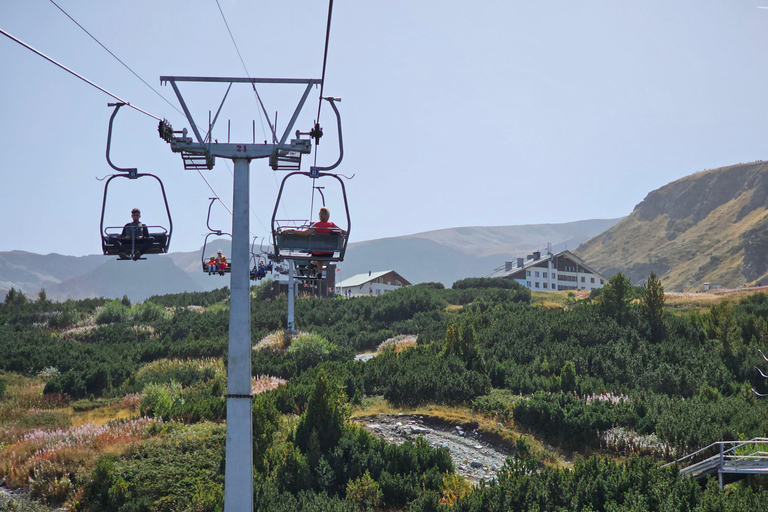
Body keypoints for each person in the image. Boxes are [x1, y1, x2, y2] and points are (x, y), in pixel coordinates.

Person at [285, 206, 346, 275]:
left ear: (320, 215)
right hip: (329, 253)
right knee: (322, 252)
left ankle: (314, 267)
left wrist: (292, 231)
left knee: (318, 252)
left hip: (317, 252)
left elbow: (304, 233)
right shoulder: (332, 225)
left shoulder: (317, 225)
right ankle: (318, 271)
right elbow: (343, 231)